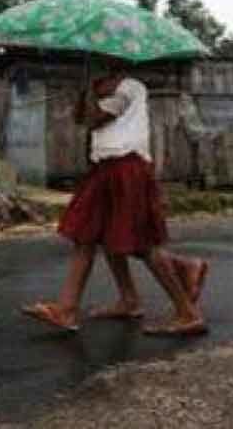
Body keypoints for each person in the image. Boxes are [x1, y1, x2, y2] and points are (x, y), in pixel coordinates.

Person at [20, 61, 209, 336]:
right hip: (105, 167)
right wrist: (86, 90)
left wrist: (88, 93)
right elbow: (81, 119)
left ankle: (188, 313)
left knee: (143, 243)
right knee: (91, 235)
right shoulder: (100, 86)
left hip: (127, 167)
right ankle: (82, 306)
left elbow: (96, 118)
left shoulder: (130, 87)